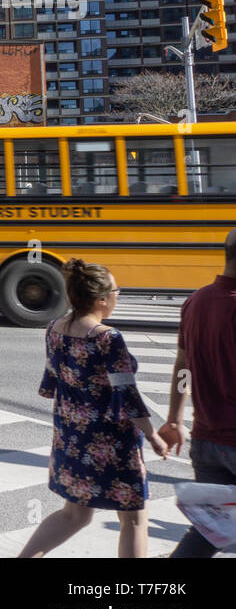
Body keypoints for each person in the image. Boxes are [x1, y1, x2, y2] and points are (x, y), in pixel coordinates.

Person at [19, 259, 167, 558]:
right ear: (101, 298)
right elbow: (126, 392)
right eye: (116, 290)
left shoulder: (55, 328)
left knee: (74, 515)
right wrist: (152, 434)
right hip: (111, 442)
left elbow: (50, 384)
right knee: (135, 519)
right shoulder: (107, 338)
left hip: (71, 437)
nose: (118, 294)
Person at [163, 228, 236, 557]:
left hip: (205, 442)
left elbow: (183, 365)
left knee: (210, 531)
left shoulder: (196, 301)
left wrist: (174, 419)